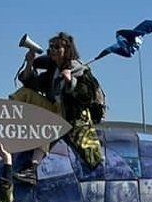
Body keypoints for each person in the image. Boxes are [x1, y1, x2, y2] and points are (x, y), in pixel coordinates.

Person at [10, 32, 104, 184]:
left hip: (70, 116)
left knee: (47, 122)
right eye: (51, 47)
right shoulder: (52, 71)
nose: (52, 50)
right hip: (54, 108)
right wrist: (29, 63)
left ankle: (33, 169)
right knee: (24, 94)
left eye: (57, 47)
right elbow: (31, 84)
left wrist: (71, 81)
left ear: (67, 50)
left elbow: (88, 95)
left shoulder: (80, 70)